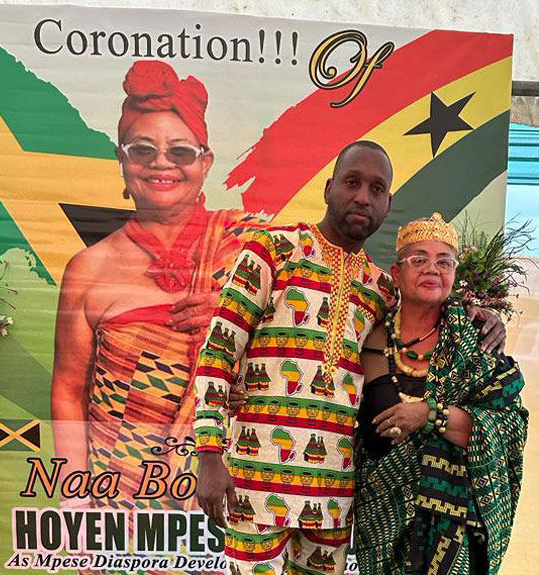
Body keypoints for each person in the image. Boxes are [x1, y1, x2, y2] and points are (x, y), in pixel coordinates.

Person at [198, 142, 506, 575]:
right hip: (257, 483)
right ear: (328, 189)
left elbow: (428, 310)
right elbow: (217, 352)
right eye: (352, 182)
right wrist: (208, 454)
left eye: (376, 188)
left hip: (335, 496)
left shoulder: (381, 289)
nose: (363, 196)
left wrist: (482, 314)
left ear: (388, 204)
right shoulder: (272, 251)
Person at [51, 60, 261, 512]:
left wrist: (235, 313)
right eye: (142, 150)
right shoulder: (88, 267)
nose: (161, 163)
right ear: (122, 161)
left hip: (237, 491)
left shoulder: (253, 250)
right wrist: (75, 503)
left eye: (180, 152)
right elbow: (69, 391)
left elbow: (299, 344)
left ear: (205, 163)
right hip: (122, 499)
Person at [354, 213, 528, 575]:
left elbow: (510, 424)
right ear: (396, 272)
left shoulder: (475, 339)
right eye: (419, 259)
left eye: (444, 261)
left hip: (452, 522)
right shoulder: (364, 332)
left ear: (454, 274)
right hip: (380, 517)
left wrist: (430, 415)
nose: (432, 269)